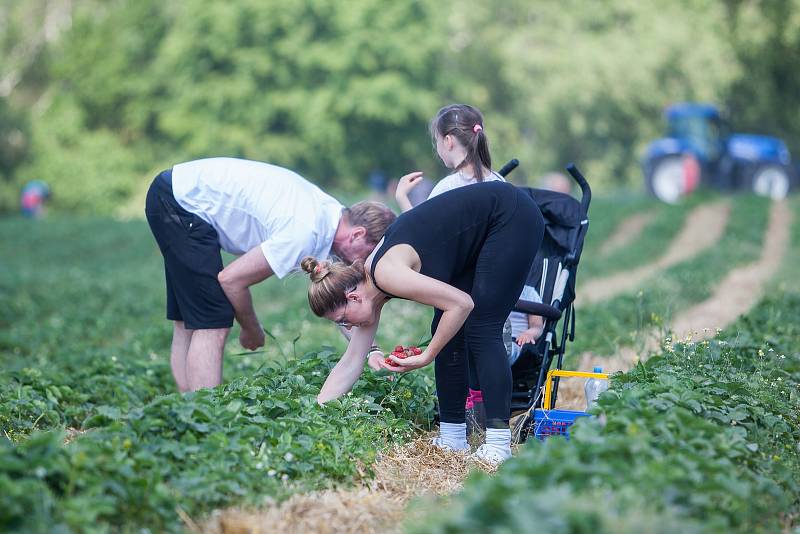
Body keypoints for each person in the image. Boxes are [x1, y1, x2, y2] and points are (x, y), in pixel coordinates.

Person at [303, 180, 544, 464]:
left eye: (344, 320)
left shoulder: (386, 274)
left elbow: (462, 303)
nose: (351, 327)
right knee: (445, 328)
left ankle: (499, 445)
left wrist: (428, 355)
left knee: (481, 326)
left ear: (353, 297)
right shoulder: (369, 291)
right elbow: (351, 360)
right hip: (475, 238)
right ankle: (453, 437)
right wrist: (314, 418)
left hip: (510, 215)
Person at [144, 157, 396, 392]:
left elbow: (342, 305)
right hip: (182, 201)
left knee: (188, 321)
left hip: (178, 190)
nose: (366, 263)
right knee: (212, 320)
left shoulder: (331, 217)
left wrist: (371, 351)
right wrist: (251, 328)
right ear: (358, 234)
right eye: (371, 253)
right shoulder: (304, 232)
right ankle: (204, 419)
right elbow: (231, 279)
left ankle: (186, 412)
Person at [394, 103, 505, 212]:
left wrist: (401, 196)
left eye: (437, 140)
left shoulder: (447, 188)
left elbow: (421, 229)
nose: (436, 146)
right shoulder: (499, 180)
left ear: (448, 141)